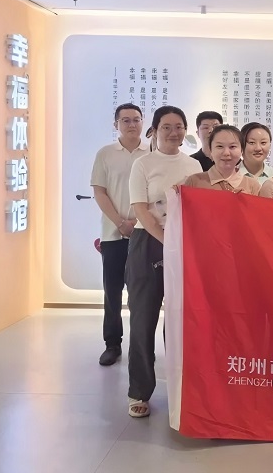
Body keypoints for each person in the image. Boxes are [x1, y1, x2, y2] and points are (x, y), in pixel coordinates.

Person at [126, 106, 202, 418]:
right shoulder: (143, 164)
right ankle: (139, 390)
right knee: (143, 320)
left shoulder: (194, 165)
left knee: (180, 321)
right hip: (148, 243)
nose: (174, 132)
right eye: (167, 126)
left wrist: (180, 243)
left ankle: (181, 388)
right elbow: (140, 209)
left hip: (184, 245)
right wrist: (166, 240)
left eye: (179, 126)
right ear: (155, 130)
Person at [90, 103, 149, 367]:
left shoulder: (152, 152)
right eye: (125, 120)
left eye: (136, 119)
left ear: (143, 122)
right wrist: (120, 222)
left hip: (145, 233)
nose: (132, 124)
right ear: (116, 125)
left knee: (141, 293)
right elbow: (99, 192)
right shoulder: (105, 154)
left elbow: (156, 194)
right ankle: (112, 344)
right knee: (112, 291)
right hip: (113, 234)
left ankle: (141, 346)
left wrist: (138, 221)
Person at [181, 125, 261, 195]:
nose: (226, 153)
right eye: (219, 146)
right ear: (211, 150)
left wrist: (248, 201)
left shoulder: (253, 185)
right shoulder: (194, 182)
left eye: (232, 147)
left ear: (242, 150)